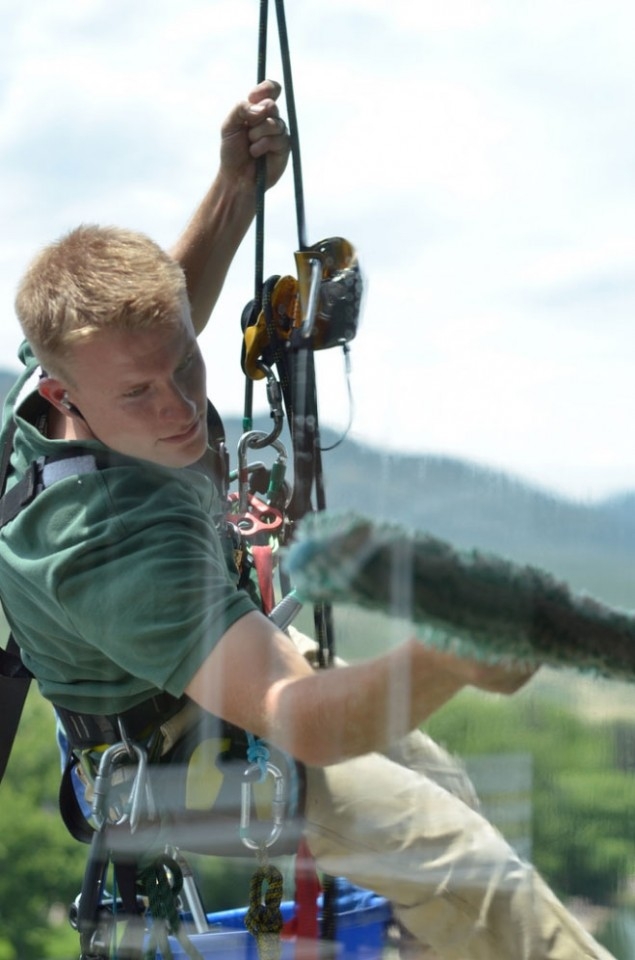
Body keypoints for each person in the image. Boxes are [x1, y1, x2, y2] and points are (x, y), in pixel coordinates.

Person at [0, 81, 616, 960]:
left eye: (187, 366)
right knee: (463, 866)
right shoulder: (104, 542)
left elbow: (160, 315)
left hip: (217, 666)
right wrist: (450, 651)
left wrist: (232, 189)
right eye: (138, 395)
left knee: (444, 788)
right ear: (66, 395)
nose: (179, 409)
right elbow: (304, 718)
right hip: (179, 750)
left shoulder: (71, 356)